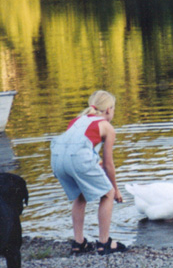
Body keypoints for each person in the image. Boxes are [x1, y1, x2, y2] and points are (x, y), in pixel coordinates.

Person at [50, 90, 128, 256]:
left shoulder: (76, 121)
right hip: (76, 160)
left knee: (80, 194)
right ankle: (104, 243)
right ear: (109, 109)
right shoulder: (107, 127)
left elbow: (79, 148)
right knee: (107, 193)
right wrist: (116, 189)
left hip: (57, 159)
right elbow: (108, 164)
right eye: (113, 108)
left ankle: (78, 243)